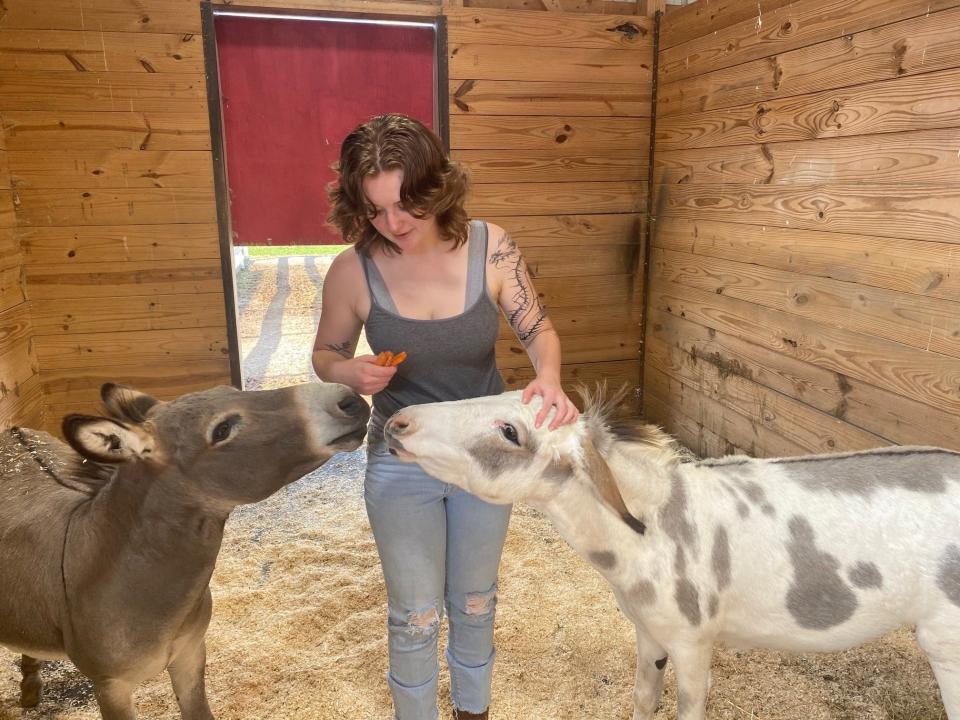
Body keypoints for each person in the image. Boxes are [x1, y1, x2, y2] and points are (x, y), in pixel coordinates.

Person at [311, 113, 579, 720]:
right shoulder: (352, 270)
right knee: (414, 612)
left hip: (485, 452)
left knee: (477, 599)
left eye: (407, 204)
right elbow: (325, 356)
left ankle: (472, 711)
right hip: (401, 456)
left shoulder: (492, 247)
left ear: (436, 189)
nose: (395, 223)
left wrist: (549, 376)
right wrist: (350, 372)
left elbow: (538, 331)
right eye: (375, 210)